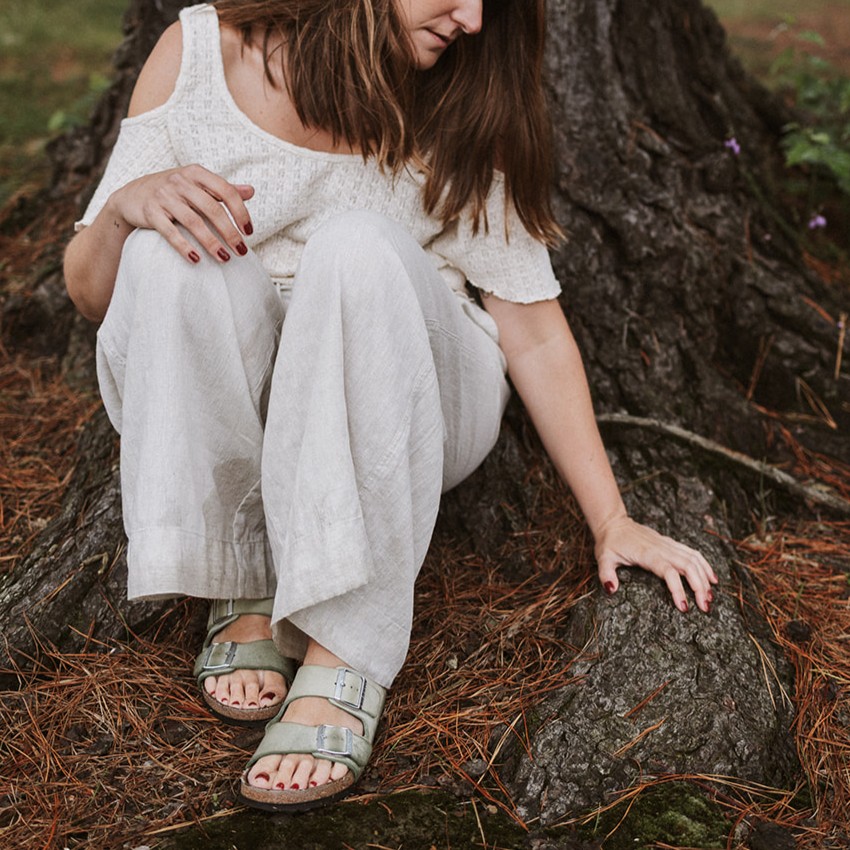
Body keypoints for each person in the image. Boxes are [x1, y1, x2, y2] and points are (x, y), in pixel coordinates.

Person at [63, 0, 718, 813]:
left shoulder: (467, 99)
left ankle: (345, 651)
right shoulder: (201, 53)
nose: (475, 20)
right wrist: (128, 206)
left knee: (356, 245)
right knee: (164, 255)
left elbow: (535, 332)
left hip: (414, 392)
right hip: (246, 390)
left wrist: (612, 519)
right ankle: (241, 578)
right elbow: (96, 296)